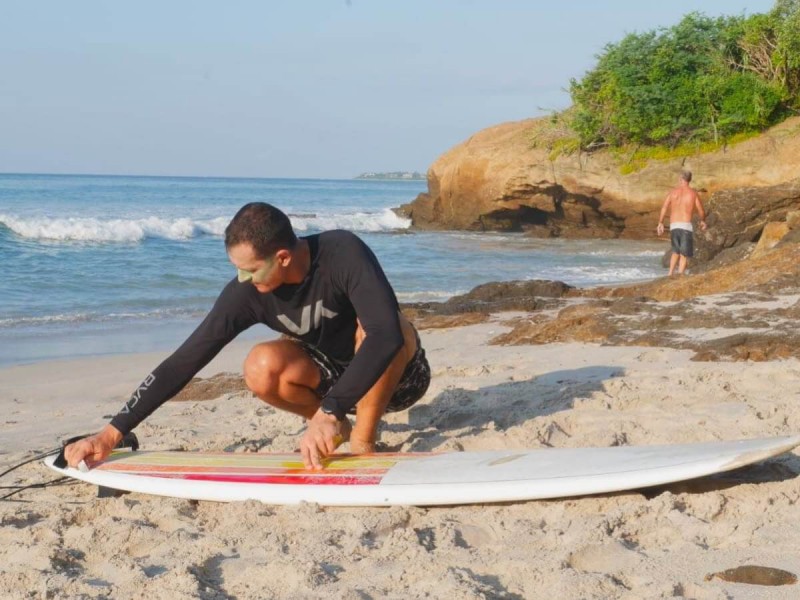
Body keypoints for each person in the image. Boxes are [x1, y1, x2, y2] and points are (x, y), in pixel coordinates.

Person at [64, 202, 430, 470]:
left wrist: (330, 408)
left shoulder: (342, 253)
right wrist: (110, 434)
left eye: (251, 270)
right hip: (331, 383)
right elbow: (184, 360)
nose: (243, 279)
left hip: (399, 378)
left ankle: (362, 442)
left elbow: (386, 336)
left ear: (283, 257)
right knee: (260, 364)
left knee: (382, 326)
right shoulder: (248, 293)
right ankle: (336, 424)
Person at [656, 170, 708, 275]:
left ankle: (670, 274)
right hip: (685, 226)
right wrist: (703, 220)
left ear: (680, 179)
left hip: (673, 225)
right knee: (684, 254)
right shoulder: (693, 194)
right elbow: (701, 210)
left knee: (675, 251)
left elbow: (664, 207)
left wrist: (660, 223)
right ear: (689, 180)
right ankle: (680, 275)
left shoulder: (672, 192)